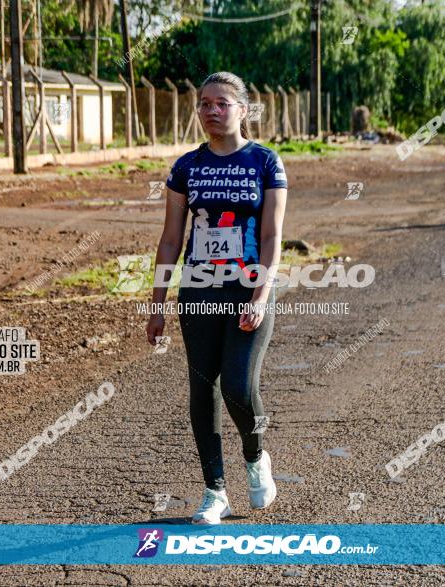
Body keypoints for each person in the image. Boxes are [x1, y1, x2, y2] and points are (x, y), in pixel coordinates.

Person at [146, 71, 287, 525]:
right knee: (202, 388)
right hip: (198, 292)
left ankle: (255, 456)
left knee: (239, 387)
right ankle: (214, 491)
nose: (211, 110)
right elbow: (171, 240)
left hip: (248, 290)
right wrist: (157, 302)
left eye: (222, 103)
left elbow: (271, 236)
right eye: (204, 103)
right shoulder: (186, 166)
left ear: (243, 110)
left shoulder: (265, 162)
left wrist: (261, 295)